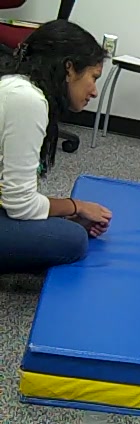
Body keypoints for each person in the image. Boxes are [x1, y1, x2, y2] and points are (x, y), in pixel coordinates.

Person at [0, 19, 113, 274]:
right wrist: (75, 206)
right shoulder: (28, 100)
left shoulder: (18, 88)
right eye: (93, 77)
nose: (94, 91)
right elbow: (20, 205)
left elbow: (10, 192)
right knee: (72, 239)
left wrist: (54, 214)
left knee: (62, 228)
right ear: (69, 69)